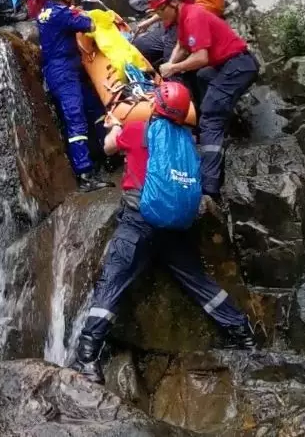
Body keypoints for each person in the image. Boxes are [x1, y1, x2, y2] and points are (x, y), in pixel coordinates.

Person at [70, 81, 256, 384]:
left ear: (155, 106)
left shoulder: (139, 130)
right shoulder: (187, 139)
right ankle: (242, 332)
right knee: (197, 279)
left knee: (113, 279)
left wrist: (113, 124)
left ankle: (87, 357)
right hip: (175, 226)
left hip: (139, 221)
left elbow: (108, 147)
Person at [146, 0, 259, 207]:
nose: (159, 15)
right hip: (226, 65)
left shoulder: (194, 15)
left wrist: (174, 68)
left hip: (238, 65)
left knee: (210, 116)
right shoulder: (184, 17)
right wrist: (169, 65)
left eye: (160, 10)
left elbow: (201, 57)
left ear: (173, 3)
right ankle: (229, 121)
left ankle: (210, 189)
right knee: (201, 77)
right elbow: (182, 46)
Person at [37, 0, 115, 192]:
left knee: (96, 108)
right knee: (76, 119)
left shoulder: (45, 12)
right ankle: (85, 173)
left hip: (67, 69)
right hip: (63, 72)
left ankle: (107, 153)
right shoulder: (61, 14)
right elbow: (89, 25)